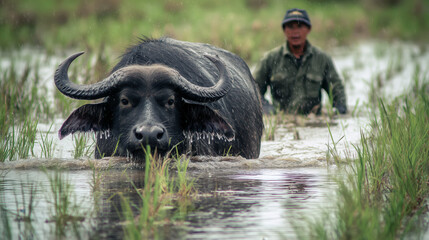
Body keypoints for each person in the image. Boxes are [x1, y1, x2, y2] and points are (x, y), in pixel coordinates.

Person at [253, 8, 347, 115]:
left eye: (300, 26)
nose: (295, 31)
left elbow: (337, 90)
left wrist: (338, 112)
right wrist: (269, 111)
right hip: (282, 120)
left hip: (313, 122)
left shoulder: (322, 59)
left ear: (308, 29)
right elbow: (254, 92)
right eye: (290, 27)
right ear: (284, 30)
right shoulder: (270, 59)